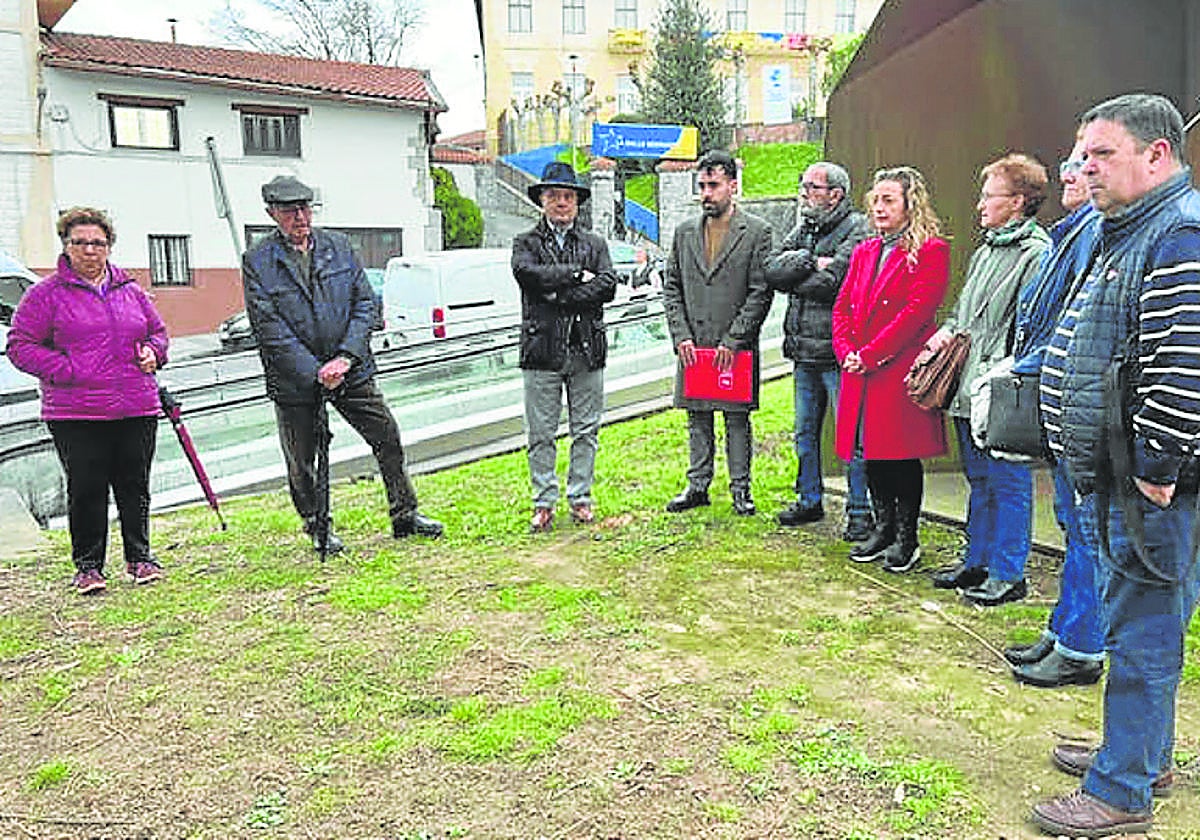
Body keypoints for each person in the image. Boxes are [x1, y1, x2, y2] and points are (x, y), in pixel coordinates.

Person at [1030, 93, 1200, 839]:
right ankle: (1143, 756)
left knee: (1142, 632)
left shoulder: (1178, 234)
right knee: (1141, 622)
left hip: (1148, 488)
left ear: (1155, 155)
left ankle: (1122, 789)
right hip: (1119, 479)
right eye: (1081, 155)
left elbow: (1183, 365)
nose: (1084, 168)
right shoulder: (1129, 230)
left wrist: (1156, 467)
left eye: (1100, 154)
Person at [242, 175, 442, 551]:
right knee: (301, 460)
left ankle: (405, 513)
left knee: (387, 436)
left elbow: (365, 304)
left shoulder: (339, 246)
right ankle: (318, 526)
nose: (300, 217)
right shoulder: (258, 261)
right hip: (296, 380)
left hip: (351, 368)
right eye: (289, 211)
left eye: (305, 208)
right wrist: (315, 371)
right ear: (272, 214)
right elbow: (269, 327)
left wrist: (345, 358)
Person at [7, 207, 168, 594]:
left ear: (109, 246)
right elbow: (20, 346)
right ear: (66, 245)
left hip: (135, 404)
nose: (89, 250)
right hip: (76, 411)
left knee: (134, 485)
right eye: (80, 242)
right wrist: (67, 369)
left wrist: (153, 351)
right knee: (87, 487)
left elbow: (159, 333)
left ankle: (140, 558)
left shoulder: (130, 291)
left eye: (97, 242)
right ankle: (89, 566)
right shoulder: (44, 295)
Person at [999, 139, 1106, 688]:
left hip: (1081, 405)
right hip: (1062, 401)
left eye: (1081, 164)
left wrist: (1021, 367)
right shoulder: (1073, 234)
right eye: (1067, 163)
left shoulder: (1093, 233)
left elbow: (1074, 324)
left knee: (1086, 531)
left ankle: (1081, 646)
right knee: (1072, 526)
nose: (1068, 173)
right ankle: (1063, 629)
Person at [924, 154, 1051, 604]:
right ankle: (975, 560)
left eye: (988, 196)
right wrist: (939, 340)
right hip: (967, 385)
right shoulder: (985, 250)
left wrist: (1005, 370)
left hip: (1000, 387)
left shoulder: (1037, 255)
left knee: (1009, 481)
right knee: (978, 478)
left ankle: (1008, 572)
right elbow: (963, 313)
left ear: (1017, 201)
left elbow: (1033, 326)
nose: (979, 205)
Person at [832, 166, 950, 573]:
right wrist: (847, 349)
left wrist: (870, 354)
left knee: (900, 456)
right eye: (875, 200)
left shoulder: (930, 250)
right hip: (861, 370)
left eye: (889, 200)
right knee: (871, 453)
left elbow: (916, 313)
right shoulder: (866, 250)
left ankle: (907, 537)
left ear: (908, 205)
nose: (879, 208)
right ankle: (882, 529)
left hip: (897, 370)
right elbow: (843, 305)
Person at [663, 150, 773, 516]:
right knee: (696, 417)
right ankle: (698, 485)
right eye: (702, 186)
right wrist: (680, 336)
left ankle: (741, 489)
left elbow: (761, 291)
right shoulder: (683, 233)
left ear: (733, 186)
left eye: (714, 185)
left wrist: (735, 339)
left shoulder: (757, 232)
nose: (707, 193)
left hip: (734, 346)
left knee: (737, 419)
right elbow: (672, 287)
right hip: (694, 343)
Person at [765, 162, 871, 538]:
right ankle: (809, 499)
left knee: (851, 435)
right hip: (802, 352)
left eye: (811, 186)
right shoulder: (805, 227)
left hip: (838, 353)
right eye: (804, 184)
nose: (804, 191)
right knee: (804, 431)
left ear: (835, 194)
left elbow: (835, 282)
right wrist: (808, 261)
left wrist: (798, 273)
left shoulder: (858, 227)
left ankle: (860, 510)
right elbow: (772, 271)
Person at [512, 161, 618, 532]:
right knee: (540, 432)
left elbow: (607, 285)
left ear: (577, 202)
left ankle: (580, 496)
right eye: (554, 196)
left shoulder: (594, 243)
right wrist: (574, 276)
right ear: (542, 199)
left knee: (585, 430)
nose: (561, 203)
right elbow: (527, 275)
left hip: (586, 349)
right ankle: (543, 501)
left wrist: (558, 295)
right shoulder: (525, 243)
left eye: (568, 196)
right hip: (541, 351)